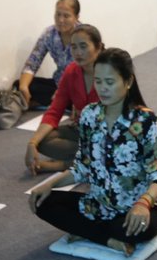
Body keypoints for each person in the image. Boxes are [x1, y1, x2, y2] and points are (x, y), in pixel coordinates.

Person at [29, 48, 157, 257]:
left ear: (128, 81)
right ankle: (106, 239)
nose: (103, 89)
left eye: (110, 82)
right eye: (98, 82)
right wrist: (49, 184)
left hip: (140, 206)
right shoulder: (89, 115)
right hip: (99, 205)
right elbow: (83, 166)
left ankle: (89, 232)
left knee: (135, 229)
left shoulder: (145, 121)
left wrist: (143, 204)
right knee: (41, 203)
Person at [25, 24, 103, 174]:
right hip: (82, 131)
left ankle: (64, 165)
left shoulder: (109, 71)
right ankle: (83, 162)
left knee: (109, 150)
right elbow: (55, 111)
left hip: (108, 135)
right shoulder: (71, 71)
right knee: (43, 141)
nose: (78, 52)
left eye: (83, 46)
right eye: (74, 47)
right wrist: (32, 143)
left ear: (98, 47)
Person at [17, 0, 81, 108]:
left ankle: (62, 102)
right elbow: (32, 63)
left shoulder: (84, 35)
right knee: (19, 85)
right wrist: (23, 87)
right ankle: (60, 102)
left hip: (80, 86)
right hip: (58, 83)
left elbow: (91, 72)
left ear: (76, 17)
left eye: (66, 16)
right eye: (58, 14)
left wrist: (67, 92)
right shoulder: (49, 34)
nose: (61, 20)